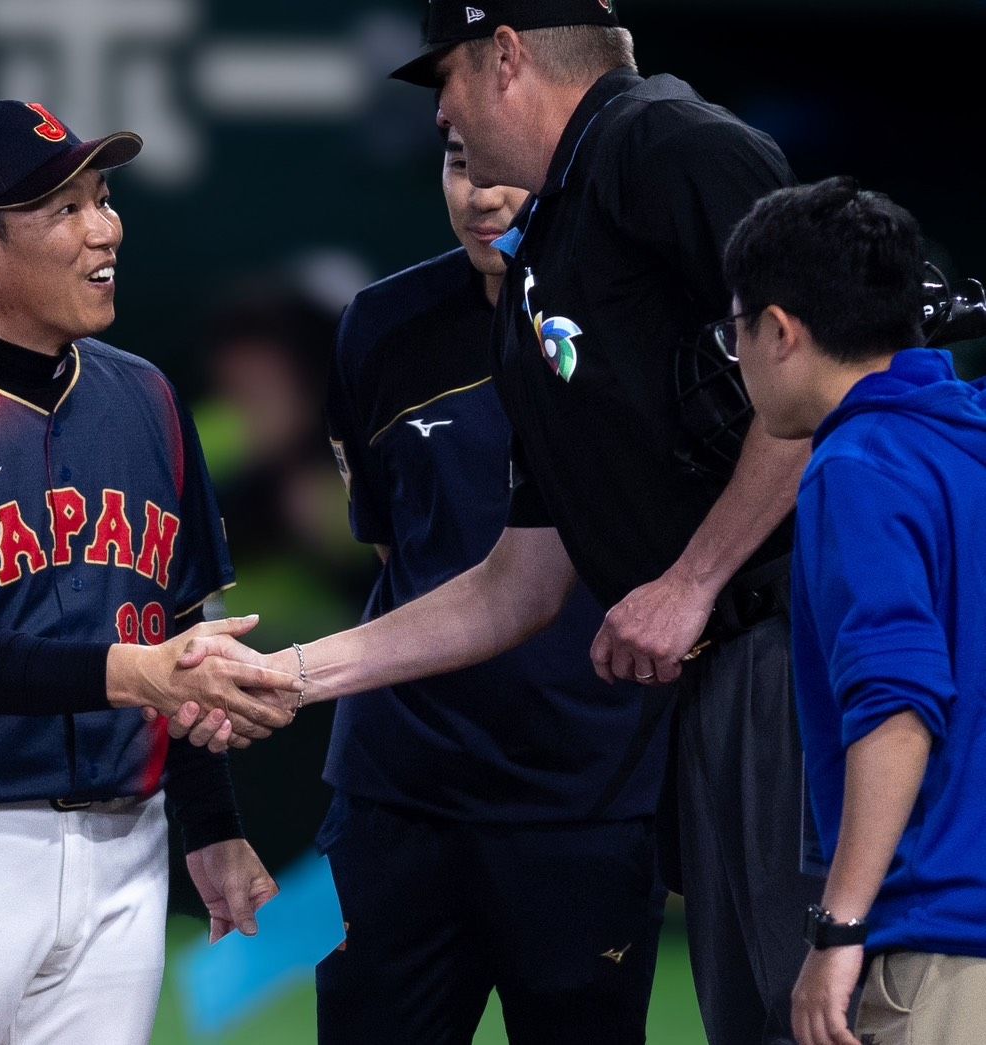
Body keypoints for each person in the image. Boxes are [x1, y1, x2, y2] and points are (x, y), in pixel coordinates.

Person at [174, 4, 824, 1042]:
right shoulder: (541, 302)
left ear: (508, 55)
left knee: (815, 1006)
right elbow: (513, 583)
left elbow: (832, 385)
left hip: (801, 659)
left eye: (450, 80)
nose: (447, 120)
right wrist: (287, 677)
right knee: (760, 1011)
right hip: (671, 697)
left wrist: (691, 579)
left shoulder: (664, 139)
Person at [0, 100, 299, 1045]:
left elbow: (186, 621)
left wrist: (210, 824)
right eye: (65, 209)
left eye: (101, 196)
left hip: (128, 847)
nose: (105, 228)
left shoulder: (144, 394)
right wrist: (138, 672)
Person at [313, 117, 668, 1043]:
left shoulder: (654, 327)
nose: (479, 194)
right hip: (400, 796)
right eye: (456, 162)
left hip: (587, 799)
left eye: (505, 168)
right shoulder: (378, 326)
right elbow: (395, 547)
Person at [722, 176, 986, 1045]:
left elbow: (900, 706)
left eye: (737, 329)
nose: (740, 353)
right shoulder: (966, 439)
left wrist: (835, 929)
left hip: (944, 947)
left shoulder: (855, 464)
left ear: (781, 331)